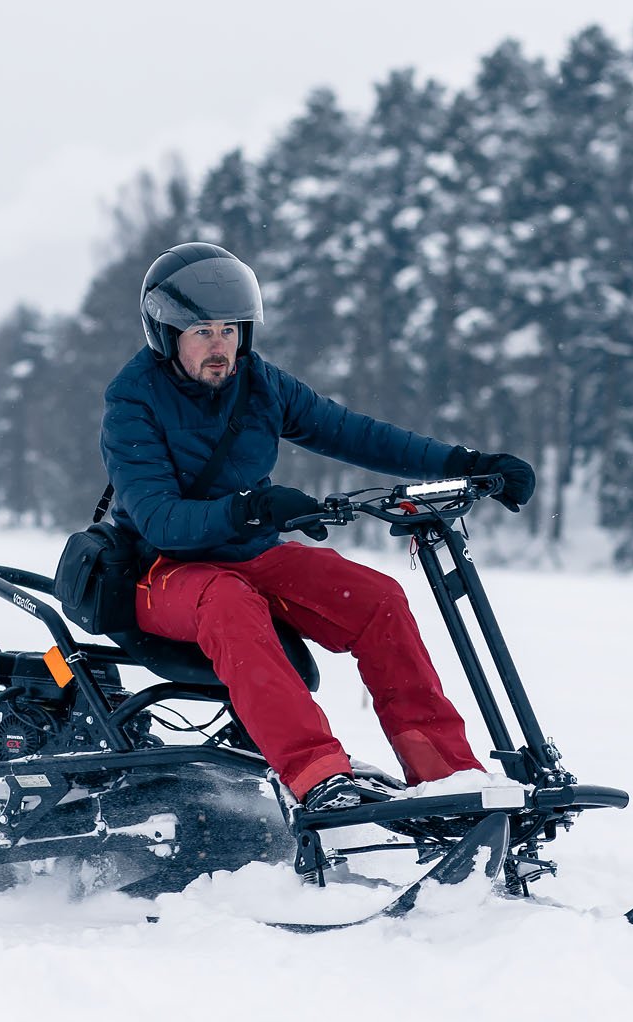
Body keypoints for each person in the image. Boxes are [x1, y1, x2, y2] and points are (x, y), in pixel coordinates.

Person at [100, 242, 536, 813]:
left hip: (249, 555)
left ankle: (446, 779)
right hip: (161, 569)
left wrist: (466, 462)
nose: (220, 347)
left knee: (377, 599)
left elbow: (354, 433)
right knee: (229, 602)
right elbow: (160, 519)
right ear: (166, 333)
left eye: (230, 330)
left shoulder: (260, 385)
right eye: (202, 331)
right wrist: (250, 508)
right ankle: (318, 776)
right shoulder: (132, 400)